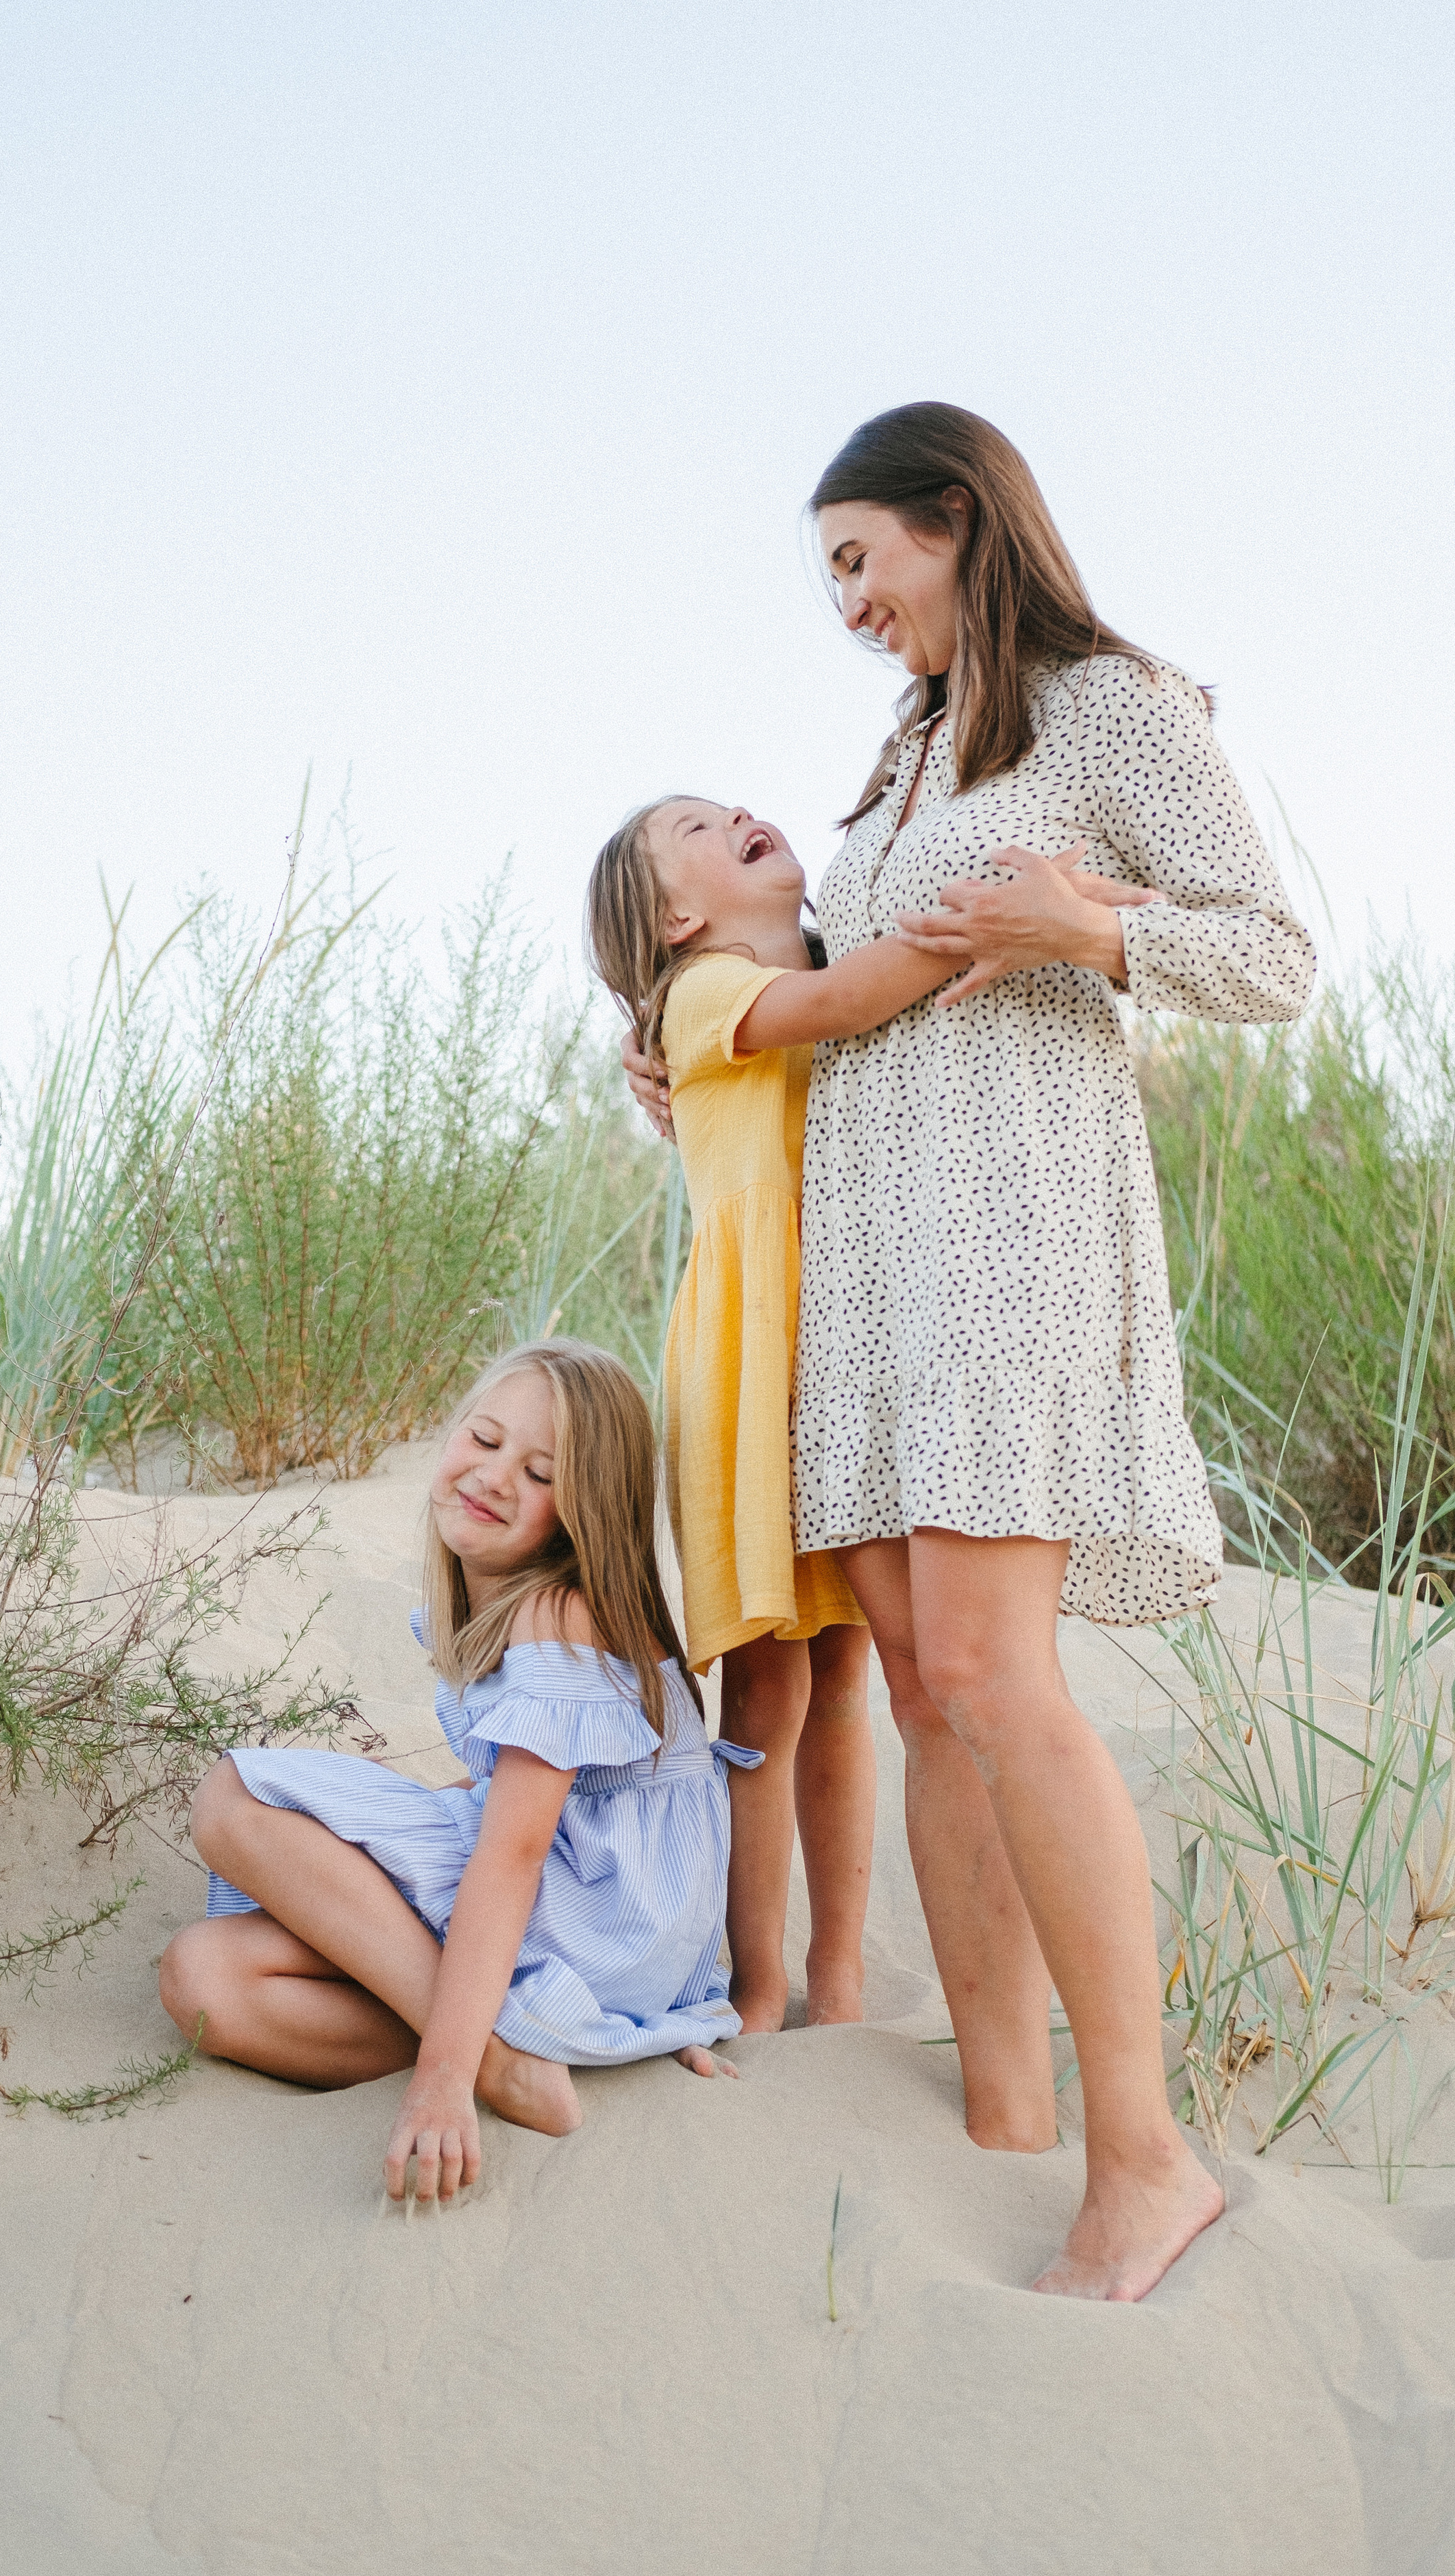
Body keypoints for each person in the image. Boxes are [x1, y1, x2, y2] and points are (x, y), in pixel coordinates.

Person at [626, 401, 1315, 2301]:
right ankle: (1006, 2111)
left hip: (1011, 1230)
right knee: (926, 1687)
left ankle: (1146, 2160)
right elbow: (820, 989)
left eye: (861, 558)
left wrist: (1096, 928)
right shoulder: (911, 743)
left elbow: (1270, 953)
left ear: (956, 521)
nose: (846, 601)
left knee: (1005, 1684)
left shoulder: (1105, 703)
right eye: (831, 575)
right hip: (868, 1263)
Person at [584, 801, 1144, 2033]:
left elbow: (857, 1001)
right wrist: (1001, 916)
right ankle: (760, 1977)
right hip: (749, 1369)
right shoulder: (708, 993)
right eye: (697, 824)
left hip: (856, 1355)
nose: (740, 811)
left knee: (846, 1677)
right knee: (767, 1692)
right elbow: (840, 1010)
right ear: (679, 918)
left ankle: (837, 1975)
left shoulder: (833, 971)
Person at [160, 1338, 760, 2204]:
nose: (495, 1476)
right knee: (205, 1981)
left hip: (587, 1909)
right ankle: (509, 2047)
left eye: (542, 1472)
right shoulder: (527, 1607)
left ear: (586, 1513)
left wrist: (438, 2082)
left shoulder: (555, 1617)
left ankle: (480, 2059)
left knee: (231, 1799)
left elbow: (513, 1855)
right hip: (619, 1936)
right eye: (483, 1439)